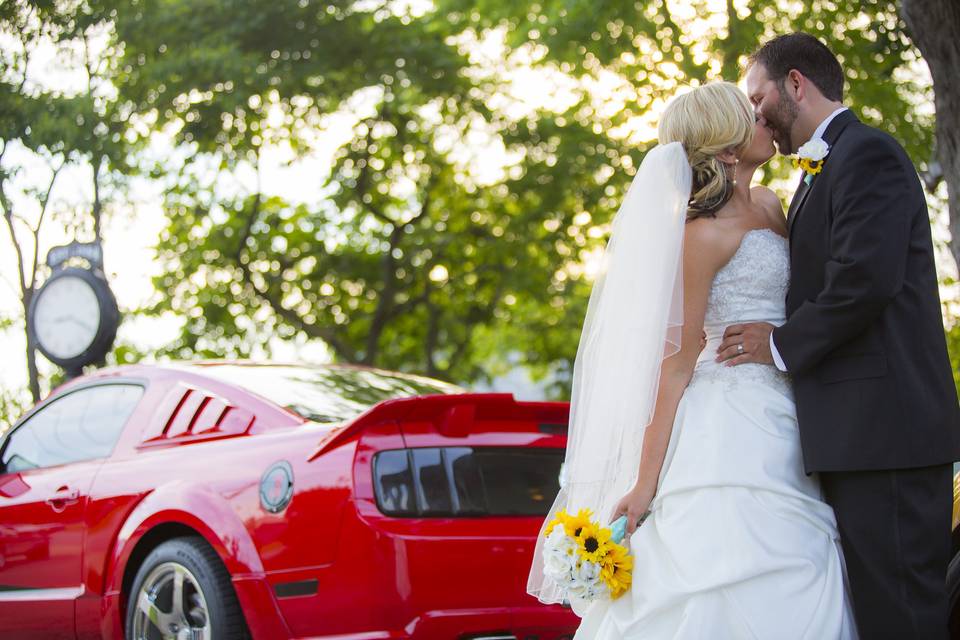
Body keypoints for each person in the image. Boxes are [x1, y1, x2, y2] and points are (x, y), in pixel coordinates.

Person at [526, 80, 858, 639]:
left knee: (803, 552)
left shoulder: (777, 205)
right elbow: (676, 364)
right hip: (728, 424)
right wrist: (642, 484)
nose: (764, 118)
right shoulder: (699, 236)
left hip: (791, 409)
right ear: (728, 148)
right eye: (750, 116)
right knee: (723, 559)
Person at [719, 33, 960, 638]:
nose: (754, 113)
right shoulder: (818, 173)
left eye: (758, 97)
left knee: (902, 612)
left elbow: (864, 280)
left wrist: (778, 344)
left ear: (795, 84)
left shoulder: (868, 155)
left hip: (890, 437)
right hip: (857, 438)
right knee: (873, 611)